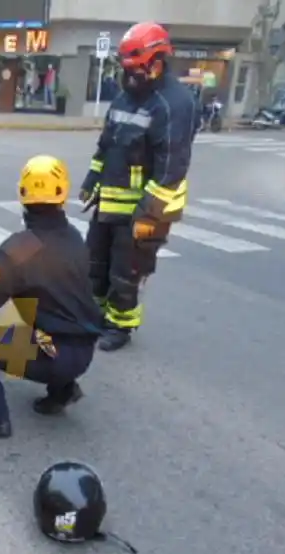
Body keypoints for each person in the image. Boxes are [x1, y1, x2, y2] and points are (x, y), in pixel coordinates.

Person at [0, 155, 103, 439]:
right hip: (84, 350)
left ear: (22, 193)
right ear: (62, 193)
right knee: (49, 314)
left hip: (54, 354)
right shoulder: (74, 238)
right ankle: (62, 392)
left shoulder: (18, 250)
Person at [80, 21, 197, 352]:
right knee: (95, 264)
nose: (130, 76)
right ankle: (97, 317)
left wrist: (147, 215)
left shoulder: (174, 103)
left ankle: (121, 325)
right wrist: (92, 179)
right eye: (126, 68)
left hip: (148, 209)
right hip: (110, 204)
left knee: (127, 270)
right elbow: (107, 145)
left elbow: (171, 169)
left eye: (137, 68)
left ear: (158, 61)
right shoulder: (124, 98)